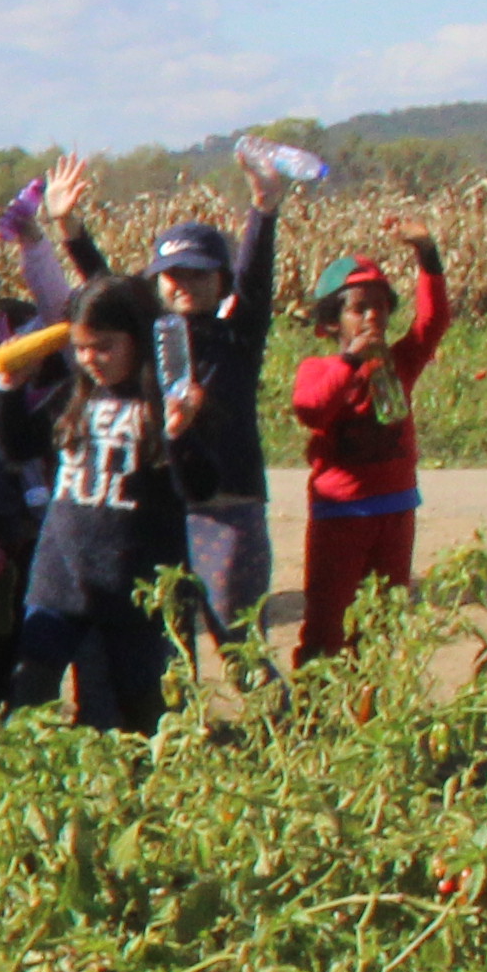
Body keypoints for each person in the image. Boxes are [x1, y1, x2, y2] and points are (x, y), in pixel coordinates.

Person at [0, 274, 186, 735]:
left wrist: (183, 435)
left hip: (133, 586)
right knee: (30, 694)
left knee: (141, 708)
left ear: (136, 340)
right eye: (81, 347)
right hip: (60, 578)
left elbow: (199, 485)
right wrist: (9, 390)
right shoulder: (75, 396)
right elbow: (17, 447)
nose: (90, 359)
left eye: (104, 346)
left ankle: (138, 797)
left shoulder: (162, 403)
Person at [289, 229, 452, 661]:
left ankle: (371, 711)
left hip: (396, 509)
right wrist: (349, 362)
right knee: (328, 620)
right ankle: (314, 715)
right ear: (330, 322)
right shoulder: (320, 367)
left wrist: (428, 258)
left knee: (382, 622)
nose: (373, 317)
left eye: (380, 307)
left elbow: (432, 323)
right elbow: (311, 408)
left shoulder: (398, 364)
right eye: (359, 309)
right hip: (341, 514)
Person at [149, 170, 281, 653]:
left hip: (229, 512)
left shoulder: (237, 337)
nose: (184, 284)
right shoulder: (150, 337)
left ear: (221, 280)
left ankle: (277, 727)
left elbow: (256, 282)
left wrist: (263, 212)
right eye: (173, 274)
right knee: (169, 654)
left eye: (198, 273)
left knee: (241, 646)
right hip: (163, 513)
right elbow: (99, 289)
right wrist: (69, 231)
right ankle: (187, 728)